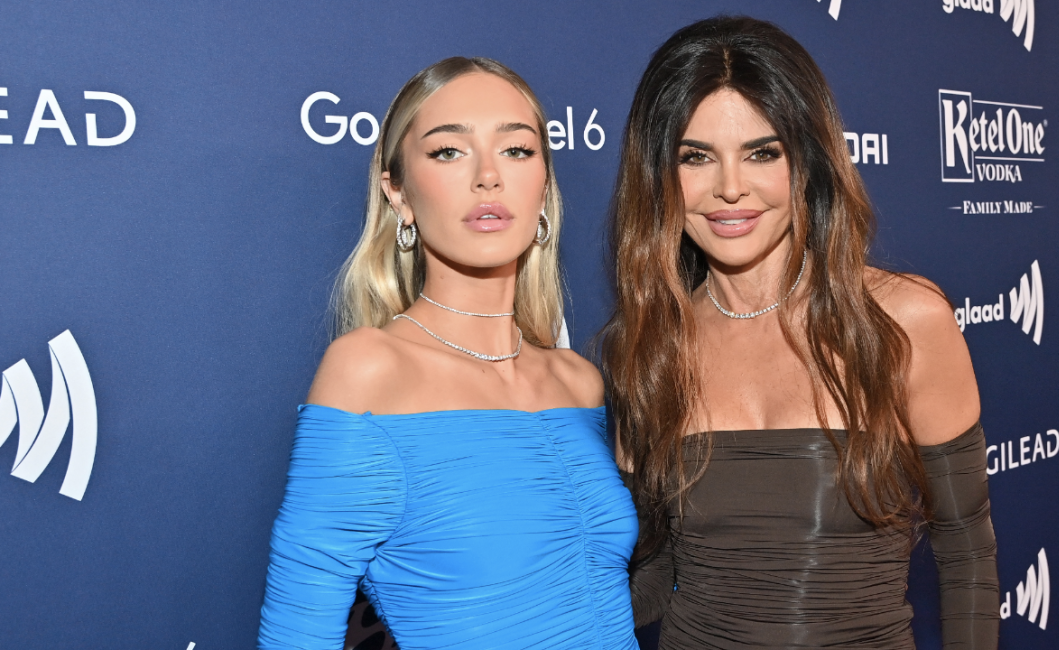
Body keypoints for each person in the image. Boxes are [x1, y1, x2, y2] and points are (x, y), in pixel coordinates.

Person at [603, 17, 999, 650]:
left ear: (808, 161)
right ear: (659, 177)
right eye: (695, 157)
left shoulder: (903, 321)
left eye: (763, 152)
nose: (731, 188)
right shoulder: (643, 349)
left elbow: (967, 554)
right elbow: (654, 578)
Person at [258, 57, 639, 649]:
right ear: (398, 193)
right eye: (447, 152)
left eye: (517, 150)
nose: (489, 176)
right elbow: (297, 631)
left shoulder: (578, 382)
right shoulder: (369, 371)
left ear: (543, 185)